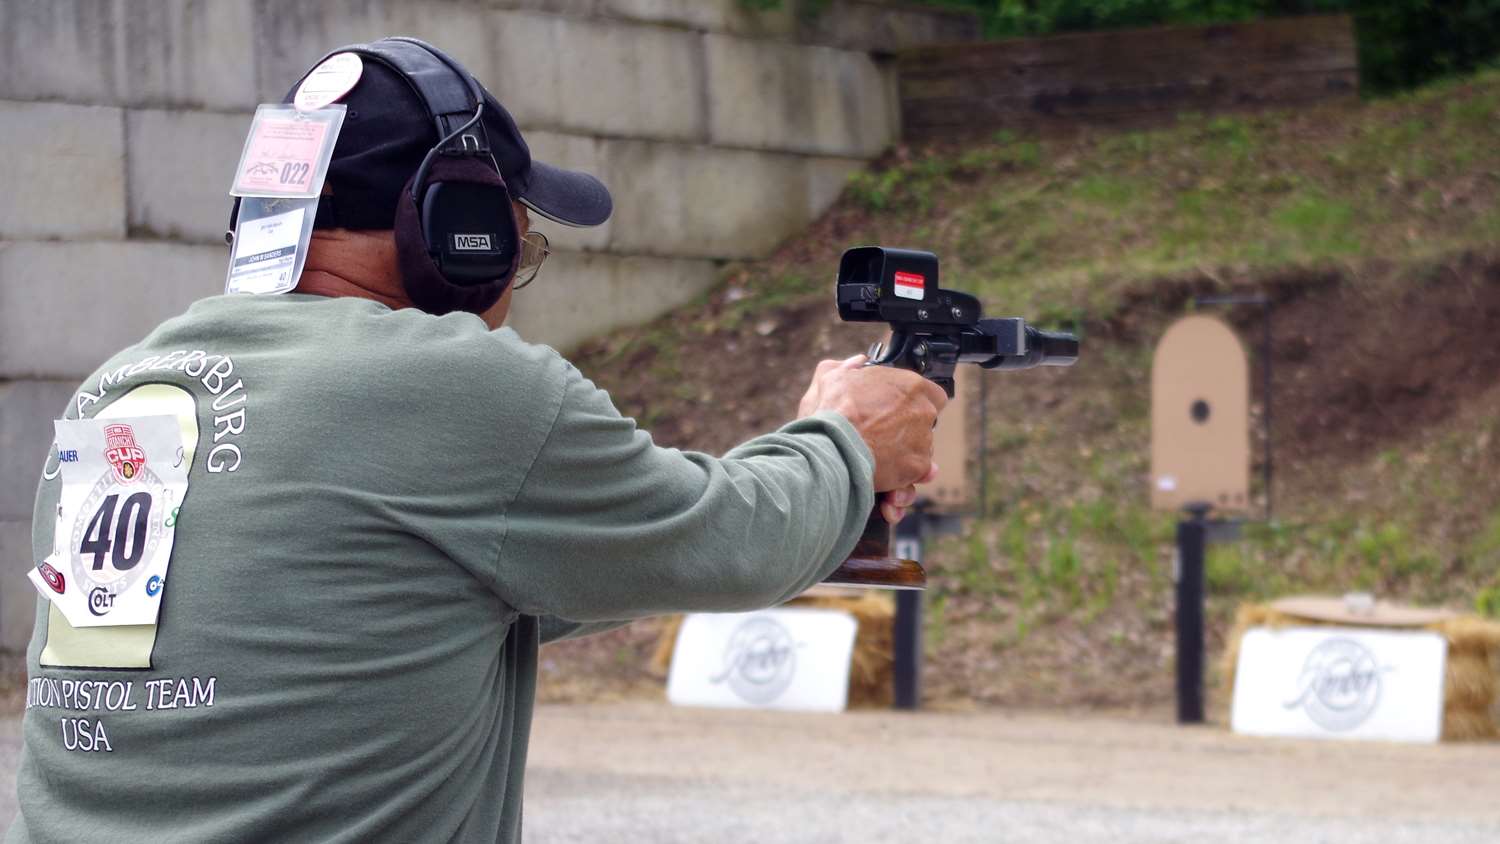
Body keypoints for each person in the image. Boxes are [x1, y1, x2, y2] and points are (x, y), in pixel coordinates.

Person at [8, 38, 946, 842]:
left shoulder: (121, 394)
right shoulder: (444, 379)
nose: (511, 279)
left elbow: (391, 611)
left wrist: (816, 482)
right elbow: (729, 543)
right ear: (457, 229)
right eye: (519, 245)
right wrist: (848, 436)